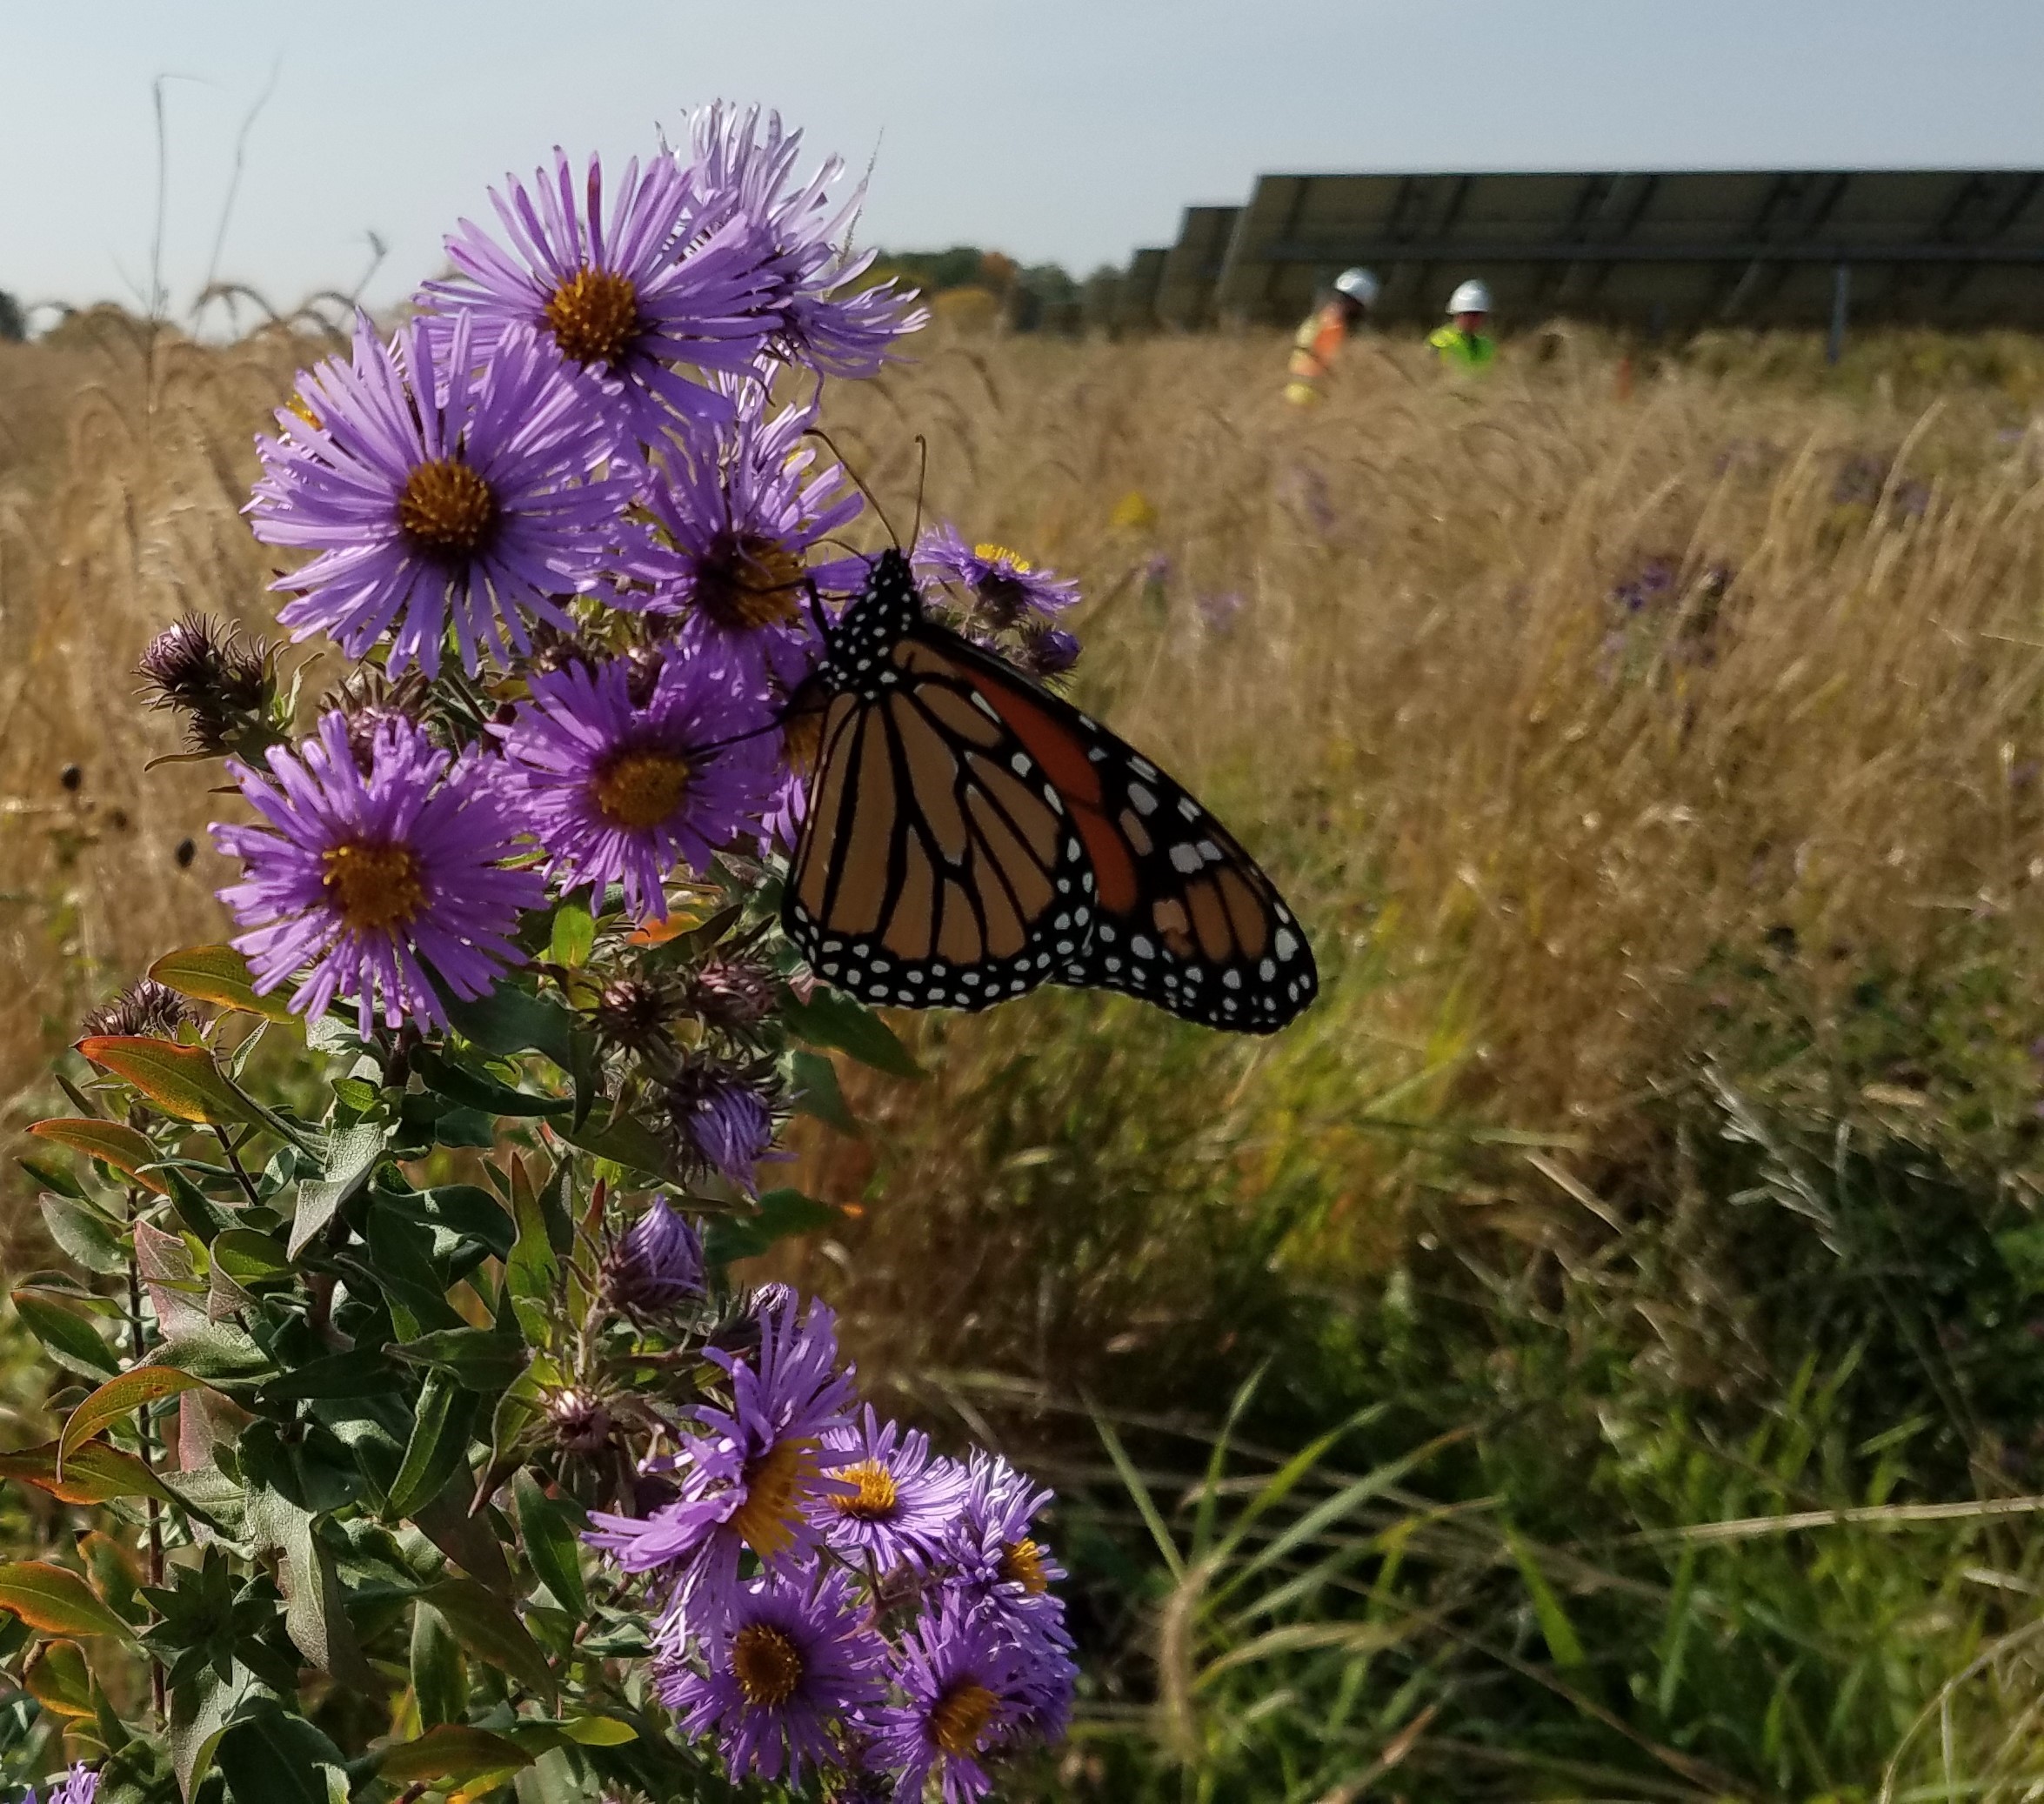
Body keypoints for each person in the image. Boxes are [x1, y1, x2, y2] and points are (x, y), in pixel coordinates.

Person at [1284, 267, 1379, 405]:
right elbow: (1336, 364)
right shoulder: (1335, 327)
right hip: (1311, 399)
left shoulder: (1317, 319)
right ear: (1357, 305)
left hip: (1295, 393)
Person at [1427, 279, 1498, 372]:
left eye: (1480, 314)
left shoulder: (1487, 345)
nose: (1476, 319)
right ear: (1458, 314)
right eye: (1470, 314)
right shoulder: (1440, 342)